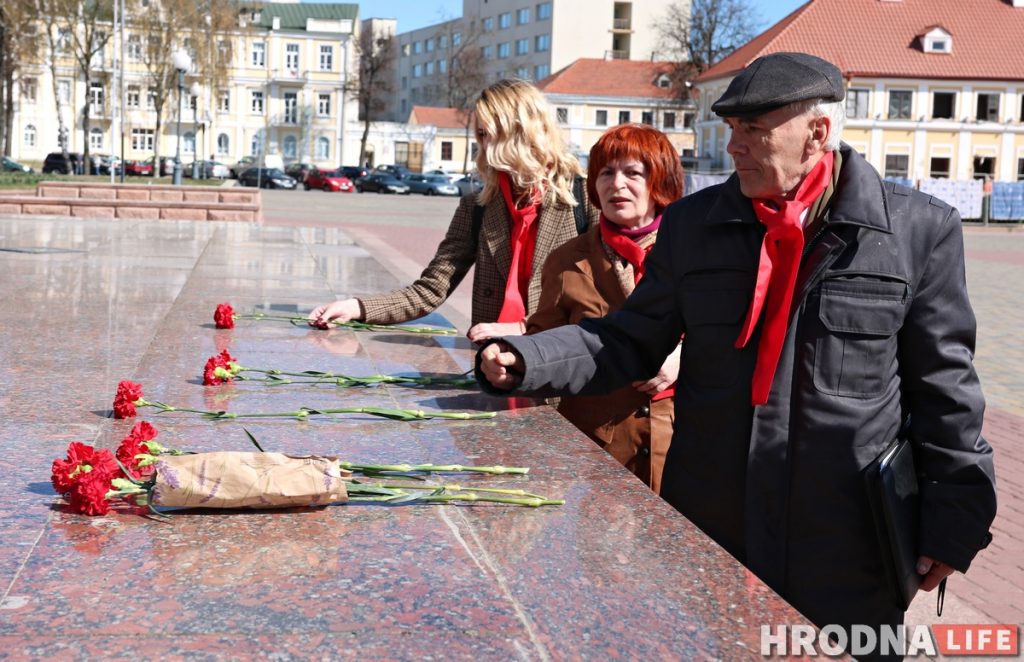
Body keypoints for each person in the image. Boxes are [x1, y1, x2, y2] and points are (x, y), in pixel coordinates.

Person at [476, 52, 996, 654]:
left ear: (817, 134)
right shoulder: (695, 226)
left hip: (847, 545)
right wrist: (526, 357)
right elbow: (628, 339)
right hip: (713, 526)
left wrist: (954, 519)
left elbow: (946, 391)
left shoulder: (915, 231)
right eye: (731, 128)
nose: (734, 146)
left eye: (754, 129)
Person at [478, 124, 684, 492]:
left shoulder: (694, 252)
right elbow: (546, 341)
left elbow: (735, 332)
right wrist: (514, 359)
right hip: (598, 448)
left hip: (680, 443)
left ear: (660, 182)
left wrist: (684, 354)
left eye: (633, 173)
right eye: (606, 172)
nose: (616, 184)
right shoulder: (567, 259)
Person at [308, 79, 598, 336]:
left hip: (563, 365)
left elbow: (609, 296)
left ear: (522, 132)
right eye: (481, 135)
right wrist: (356, 307)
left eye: (490, 134)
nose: (483, 147)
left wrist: (528, 327)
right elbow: (430, 290)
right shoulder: (478, 207)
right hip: (495, 361)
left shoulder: (585, 197)